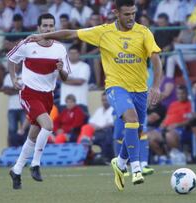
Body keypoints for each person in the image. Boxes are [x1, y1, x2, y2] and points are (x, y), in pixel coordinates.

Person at [26, 0, 162, 191]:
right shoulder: (103, 32)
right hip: (116, 87)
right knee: (131, 120)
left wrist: (155, 85)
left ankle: (120, 163)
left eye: (133, 13)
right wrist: (44, 35)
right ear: (116, 13)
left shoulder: (144, 32)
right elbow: (70, 33)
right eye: (127, 14)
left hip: (140, 89)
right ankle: (136, 168)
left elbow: (156, 59)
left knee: (136, 129)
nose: (131, 18)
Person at [7, 13, 71, 190]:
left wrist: (61, 70)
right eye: (45, 26)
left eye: (51, 26)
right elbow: (11, 59)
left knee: (33, 135)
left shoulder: (60, 48)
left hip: (47, 96)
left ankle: (17, 169)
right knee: (48, 125)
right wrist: (13, 79)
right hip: (29, 93)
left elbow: (65, 77)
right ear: (39, 27)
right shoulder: (28, 44)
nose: (48, 29)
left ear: (54, 27)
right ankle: (35, 164)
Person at [1, 65, 27, 147]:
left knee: (25, 130)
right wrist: (20, 89)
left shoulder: (26, 75)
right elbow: (5, 91)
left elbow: (28, 90)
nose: (17, 65)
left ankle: (26, 152)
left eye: (19, 63)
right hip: (12, 108)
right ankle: (11, 150)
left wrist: (13, 88)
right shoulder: (8, 76)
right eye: (15, 64)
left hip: (24, 108)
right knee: (12, 130)